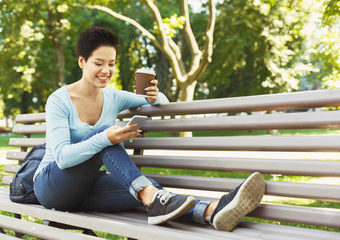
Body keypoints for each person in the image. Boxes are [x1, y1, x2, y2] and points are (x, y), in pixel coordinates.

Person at [33, 26, 266, 231]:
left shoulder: (113, 96)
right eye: (98, 63)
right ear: (82, 61)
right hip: (51, 186)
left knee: (146, 190)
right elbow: (62, 159)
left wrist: (156, 95)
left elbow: (159, 101)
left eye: (111, 64)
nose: (106, 70)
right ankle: (161, 200)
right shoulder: (59, 100)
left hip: (87, 188)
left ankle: (213, 212)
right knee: (105, 135)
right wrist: (105, 137)